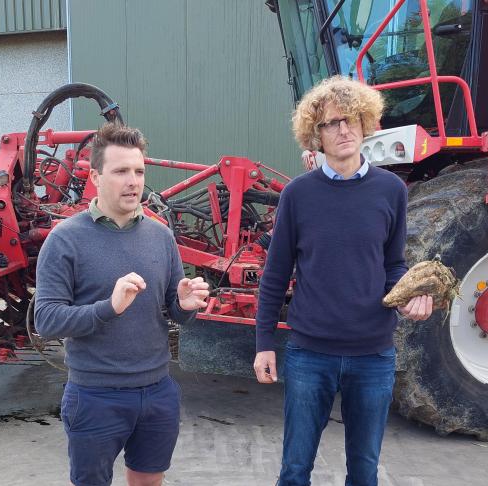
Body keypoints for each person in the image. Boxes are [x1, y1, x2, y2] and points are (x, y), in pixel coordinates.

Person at [253, 76, 433, 486]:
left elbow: (394, 264)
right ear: (315, 134)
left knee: (364, 471)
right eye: (332, 123)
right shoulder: (298, 195)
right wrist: (264, 344)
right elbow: (276, 274)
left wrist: (411, 295)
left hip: (373, 356)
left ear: (366, 122)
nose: (344, 129)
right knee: (295, 470)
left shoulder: (391, 191)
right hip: (309, 354)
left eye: (351, 119)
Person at [34, 123, 209, 486]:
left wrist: (185, 304)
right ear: (95, 176)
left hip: (158, 391)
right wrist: (107, 307)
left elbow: (174, 313)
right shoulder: (65, 240)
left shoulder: (160, 235)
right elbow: (46, 320)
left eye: (139, 171)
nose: (133, 181)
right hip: (95, 395)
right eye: (121, 171)